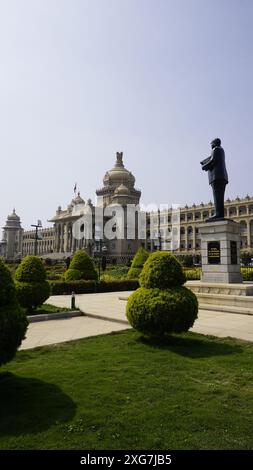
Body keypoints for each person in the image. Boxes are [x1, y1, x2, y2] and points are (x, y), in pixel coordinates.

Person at [200, 138, 228, 220]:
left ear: (214, 143)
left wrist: (204, 166)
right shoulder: (221, 150)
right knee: (220, 196)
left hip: (216, 176)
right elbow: (212, 158)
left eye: (211, 144)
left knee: (217, 196)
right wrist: (204, 162)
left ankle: (218, 214)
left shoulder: (216, 149)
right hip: (222, 176)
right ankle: (220, 213)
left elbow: (213, 160)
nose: (211, 146)